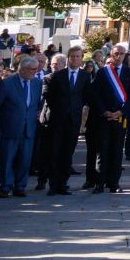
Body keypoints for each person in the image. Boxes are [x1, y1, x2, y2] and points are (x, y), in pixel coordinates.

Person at [0, 54, 44, 198]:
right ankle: (5, 187)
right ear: (22, 69)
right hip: (9, 129)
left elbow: (37, 104)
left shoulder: (37, 83)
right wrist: (4, 121)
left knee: (25, 159)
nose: (34, 72)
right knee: (7, 159)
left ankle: (20, 186)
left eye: (35, 69)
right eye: (31, 69)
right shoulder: (7, 83)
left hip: (28, 129)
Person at [43, 46, 90, 195]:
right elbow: (49, 96)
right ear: (68, 58)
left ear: (81, 58)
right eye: (72, 56)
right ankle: (53, 184)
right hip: (57, 119)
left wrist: (78, 109)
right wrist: (59, 108)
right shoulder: (58, 76)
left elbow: (86, 95)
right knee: (54, 151)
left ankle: (63, 183)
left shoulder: (84, 76)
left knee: (67, 152)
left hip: (73, 120)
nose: (75, 59)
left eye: (78, 56)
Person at [87, 44, 130, 192]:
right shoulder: (102, 73)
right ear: (111, 55)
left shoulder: (129, 73)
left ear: (125, 56)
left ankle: (114, 183)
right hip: (104, 118)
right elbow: (95, 95)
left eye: (121, 54)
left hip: (120, 118)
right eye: (116, 54)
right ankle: (99, 183)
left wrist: (121, 112)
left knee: (117, 150)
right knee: (102, 151)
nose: (118, 56)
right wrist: (104, 111)